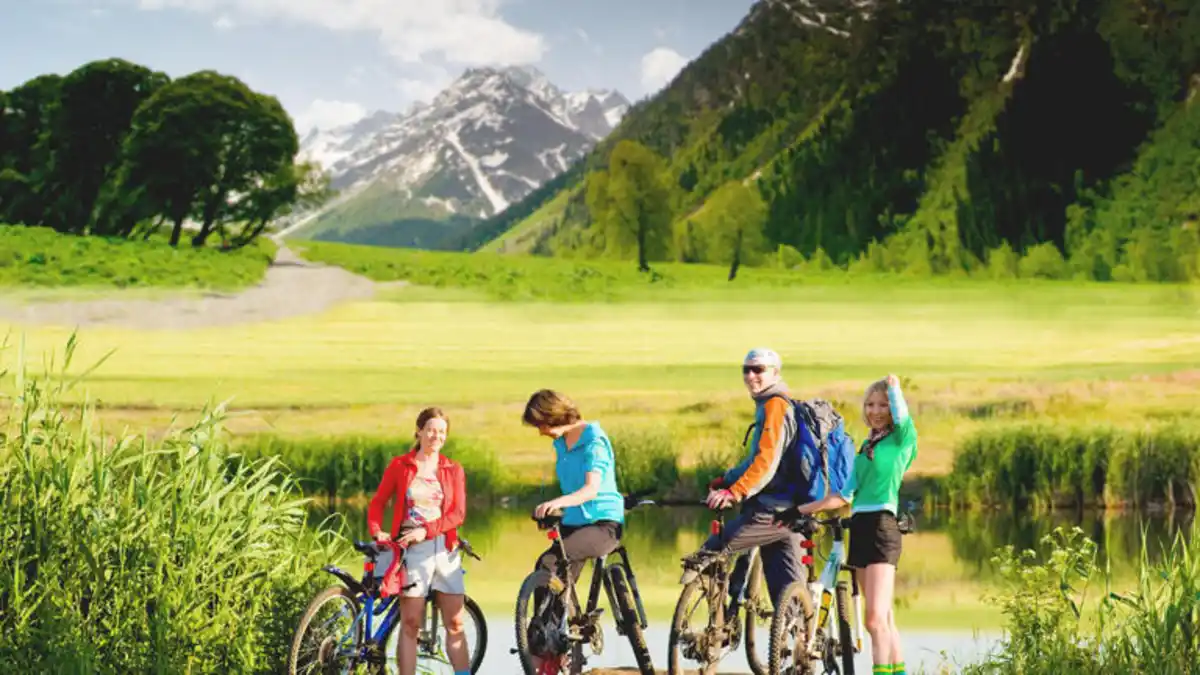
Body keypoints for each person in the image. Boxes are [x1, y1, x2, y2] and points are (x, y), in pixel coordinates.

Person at [787, 374, 917, 675]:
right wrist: (799, 510)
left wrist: (894, 389)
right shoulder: (865, 448)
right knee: (885, 617)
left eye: (882, 405)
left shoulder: (902, 438)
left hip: (883, 527)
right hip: (858, 527)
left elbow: (903, 415)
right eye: (870, 404)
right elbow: (844, 495)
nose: (875, 411)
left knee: (873, 620)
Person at [682, 347, 808, 613]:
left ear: (775, 373)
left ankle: (715, 630)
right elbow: (754, 460)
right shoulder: (769, 404)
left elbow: (765, 462)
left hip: (776, 510)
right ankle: (797, 646)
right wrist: (726, 480)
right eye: (746, 370)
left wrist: (734, 492)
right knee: (787, 598)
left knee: (713, 550)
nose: (751, 376)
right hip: (783, 505)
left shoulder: (775, 406)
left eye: (759, 370)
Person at [521, 389, 625, 670]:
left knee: (552, 565)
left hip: (603, 524)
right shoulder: (561, 443)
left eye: (541, 425)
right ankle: (546, 646)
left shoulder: (594, 441)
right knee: (546, 568)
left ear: (553, 417)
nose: (541, 432)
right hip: (574, 523)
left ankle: (550, 648)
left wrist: (558, 502)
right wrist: (554, 511)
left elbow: (591, 489)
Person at [367, 407, 471, 675]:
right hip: (411, 552)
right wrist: (377, 531)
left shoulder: (453, 469)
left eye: (442, 432)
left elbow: (457, 514)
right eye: (431, 430)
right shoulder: (401, 466)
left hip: (445, 550)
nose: (436, 436)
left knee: (456, 623)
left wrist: (427, 530)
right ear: (419, 431)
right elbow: (378, 503)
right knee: (411, 622)